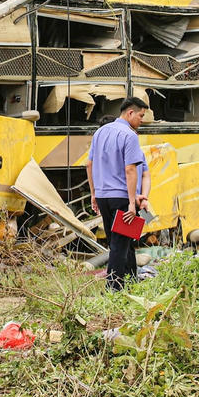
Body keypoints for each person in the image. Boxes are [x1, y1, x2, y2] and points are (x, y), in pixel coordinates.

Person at [86, 97, 148, 291]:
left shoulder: (100, 132)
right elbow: (131, 170)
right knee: (119, 245)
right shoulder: (129, 136)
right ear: (130, 113)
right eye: (140, 116)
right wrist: (131, 203)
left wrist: (94, 193)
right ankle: (112, 288)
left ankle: (131, 279)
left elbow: (90, 163)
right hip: (121, 197)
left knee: (123, 240)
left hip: (104, 196)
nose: (141, 120)